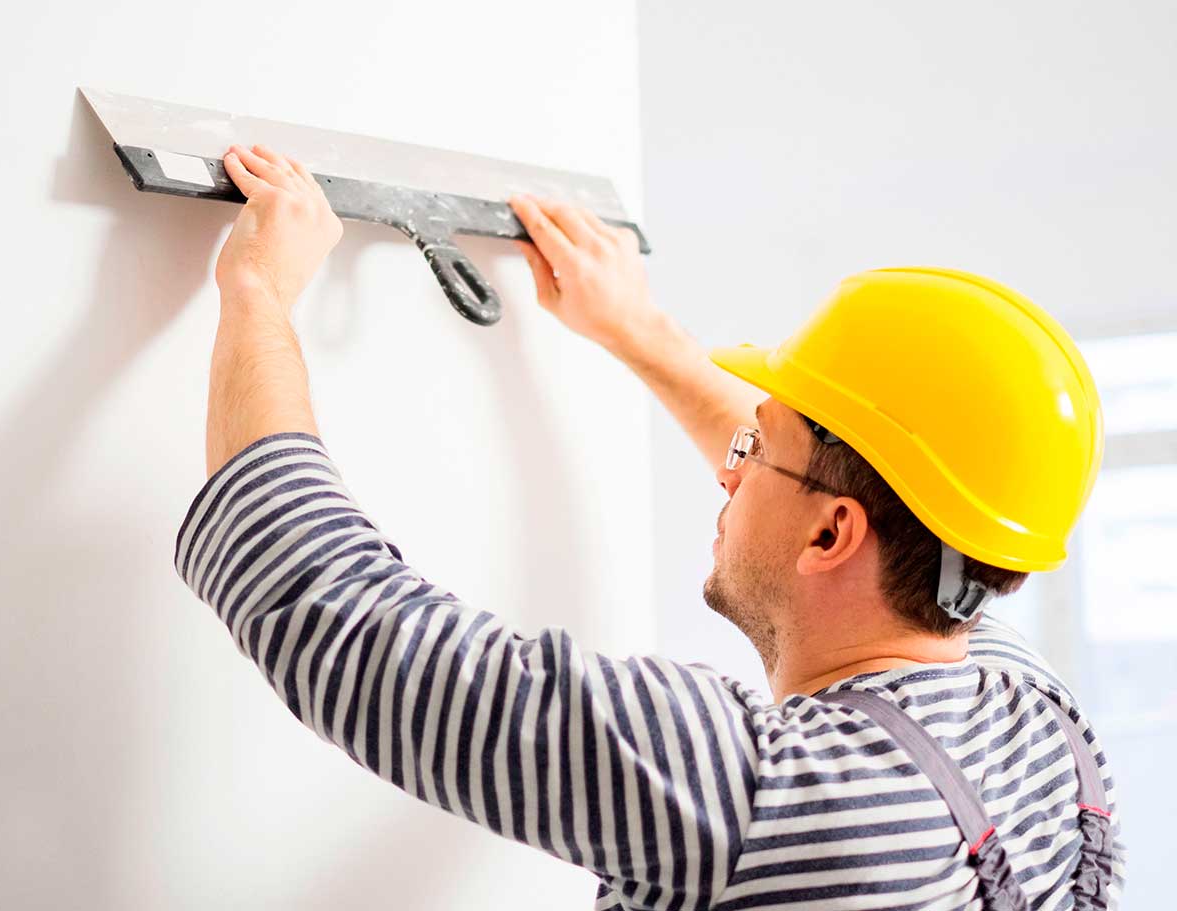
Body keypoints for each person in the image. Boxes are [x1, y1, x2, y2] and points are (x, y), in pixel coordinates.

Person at [178, 142, 1124, 910]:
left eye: (757, 450)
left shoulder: (746, 791)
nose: (732, 469)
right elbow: (867, 485)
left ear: (831, 537)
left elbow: (330, 610)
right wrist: (636, 330)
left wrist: (257, 291)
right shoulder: (1039, 720)